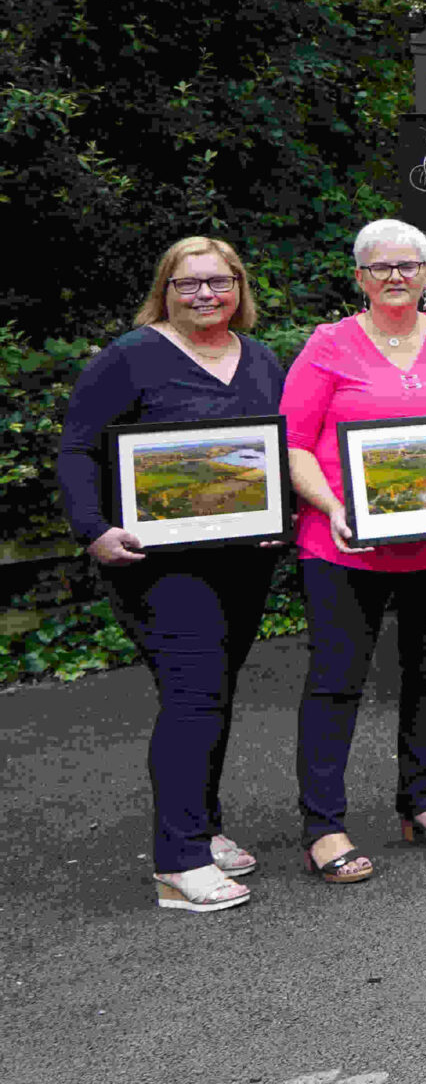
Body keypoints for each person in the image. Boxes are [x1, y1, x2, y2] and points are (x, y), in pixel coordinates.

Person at [56, 238, 286, 912]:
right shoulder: (129, 358)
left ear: (240, 287)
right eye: (189, 284)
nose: (205, 295)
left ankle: (203, 826)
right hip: (157, 566)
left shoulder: (262, 358)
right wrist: (93, 530)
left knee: (213, 692)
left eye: (219, 282)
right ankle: (178, 864)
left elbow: (278, 445)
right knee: (193, 694)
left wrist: (281, 513)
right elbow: (75, 449)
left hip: (245, 559)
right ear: (167, 288)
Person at [284, 219, 426, 884]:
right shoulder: (328, 346)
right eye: (381, 268)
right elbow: (292, 444)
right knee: (336, 684)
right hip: (346, 546)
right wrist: (332, 507)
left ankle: (421, 801)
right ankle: (324, 826)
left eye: (409, 265)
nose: (396, 277)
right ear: (360, 279)